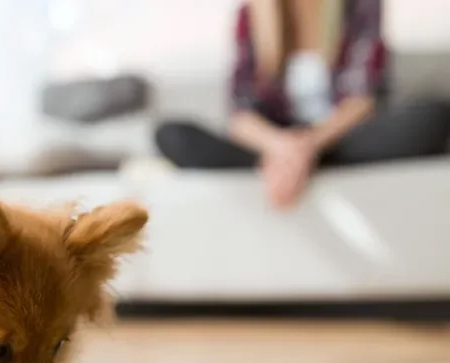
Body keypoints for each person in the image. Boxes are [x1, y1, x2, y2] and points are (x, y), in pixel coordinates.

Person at [154, 0, 450, 209]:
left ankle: (291, 167)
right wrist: (282, 147)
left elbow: (362, 101)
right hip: (275, 141)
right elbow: (240, 115)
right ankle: (289, 166)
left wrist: (307, 146)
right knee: (171, 134)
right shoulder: (251, 14)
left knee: (434, 114)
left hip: (339, 138)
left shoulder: (360, 5)